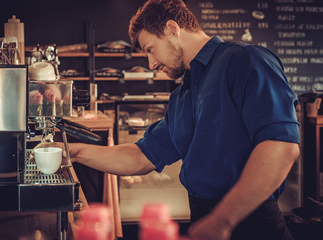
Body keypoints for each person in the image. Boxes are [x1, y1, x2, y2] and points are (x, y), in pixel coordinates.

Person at [34, 0, 300, 239]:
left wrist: (223, 220)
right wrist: (76, 153)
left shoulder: (245, 60)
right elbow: (142, 156)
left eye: (151, 49)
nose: (151, 64)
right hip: (205, 218)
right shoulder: (182, 96)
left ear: (173, 29)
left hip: (249, 221)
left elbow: (281, 146)